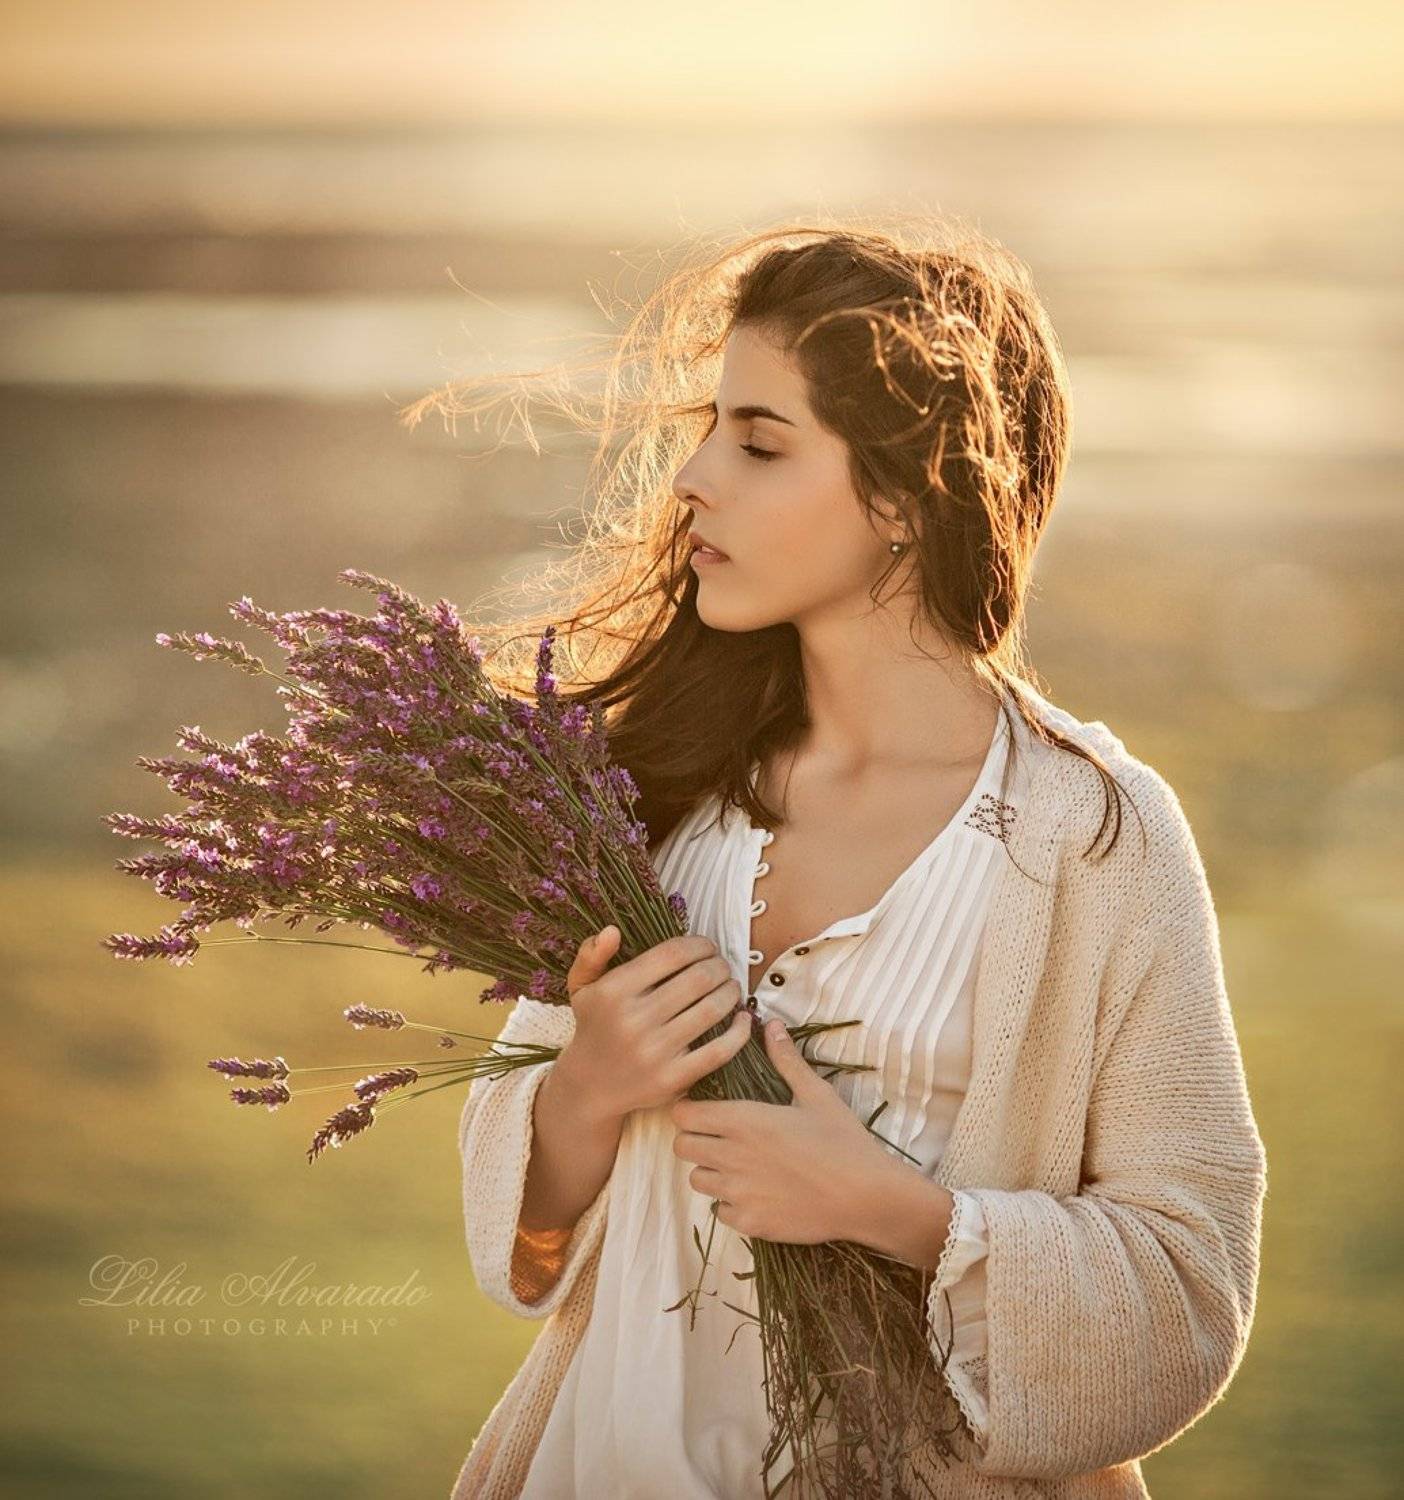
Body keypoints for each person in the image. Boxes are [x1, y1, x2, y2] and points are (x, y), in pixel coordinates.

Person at [420, 217, 1268, 1499]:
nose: (693, 477)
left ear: (908, 494)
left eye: (760, 443)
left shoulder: (1097, 840)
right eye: (710, 429)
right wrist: (585, 1090)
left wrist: (898, 1211)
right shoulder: (642, 796)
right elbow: (527, 1253)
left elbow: (1189, 1284)